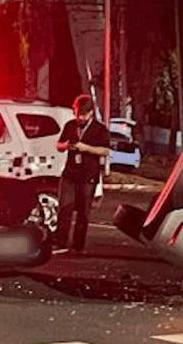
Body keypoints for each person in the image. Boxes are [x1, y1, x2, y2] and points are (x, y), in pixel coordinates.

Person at [55, 94, 111, 255]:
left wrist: (85, 148)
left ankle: (78, 246)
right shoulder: (70, 126)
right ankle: (61, 242)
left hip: (88, 176)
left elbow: (106, 150)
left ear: (91, 113)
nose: (79, 118)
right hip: (70, 174)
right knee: (65, 208)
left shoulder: (99, 130)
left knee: (83, 212)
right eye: (77, 114)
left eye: (82, 115)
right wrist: (66, 145)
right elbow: (58, 144)